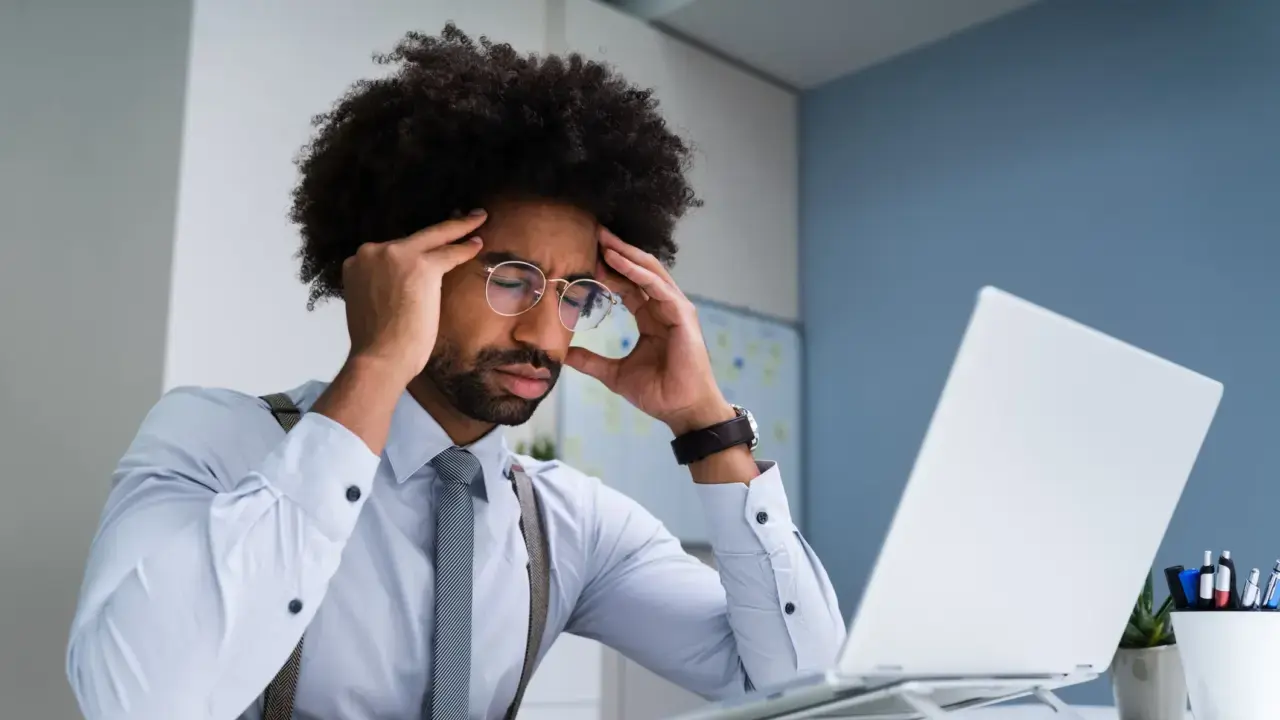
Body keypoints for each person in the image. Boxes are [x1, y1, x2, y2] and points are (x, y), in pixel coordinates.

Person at [66, 24, 845, 720]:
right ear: (406, 263)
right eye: (511, 279)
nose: (546, 332)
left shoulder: (571, 526)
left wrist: (706, 426)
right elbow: (136, 698)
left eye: (577, 295)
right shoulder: (216, 440)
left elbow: (799, 680)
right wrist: (375, 365)